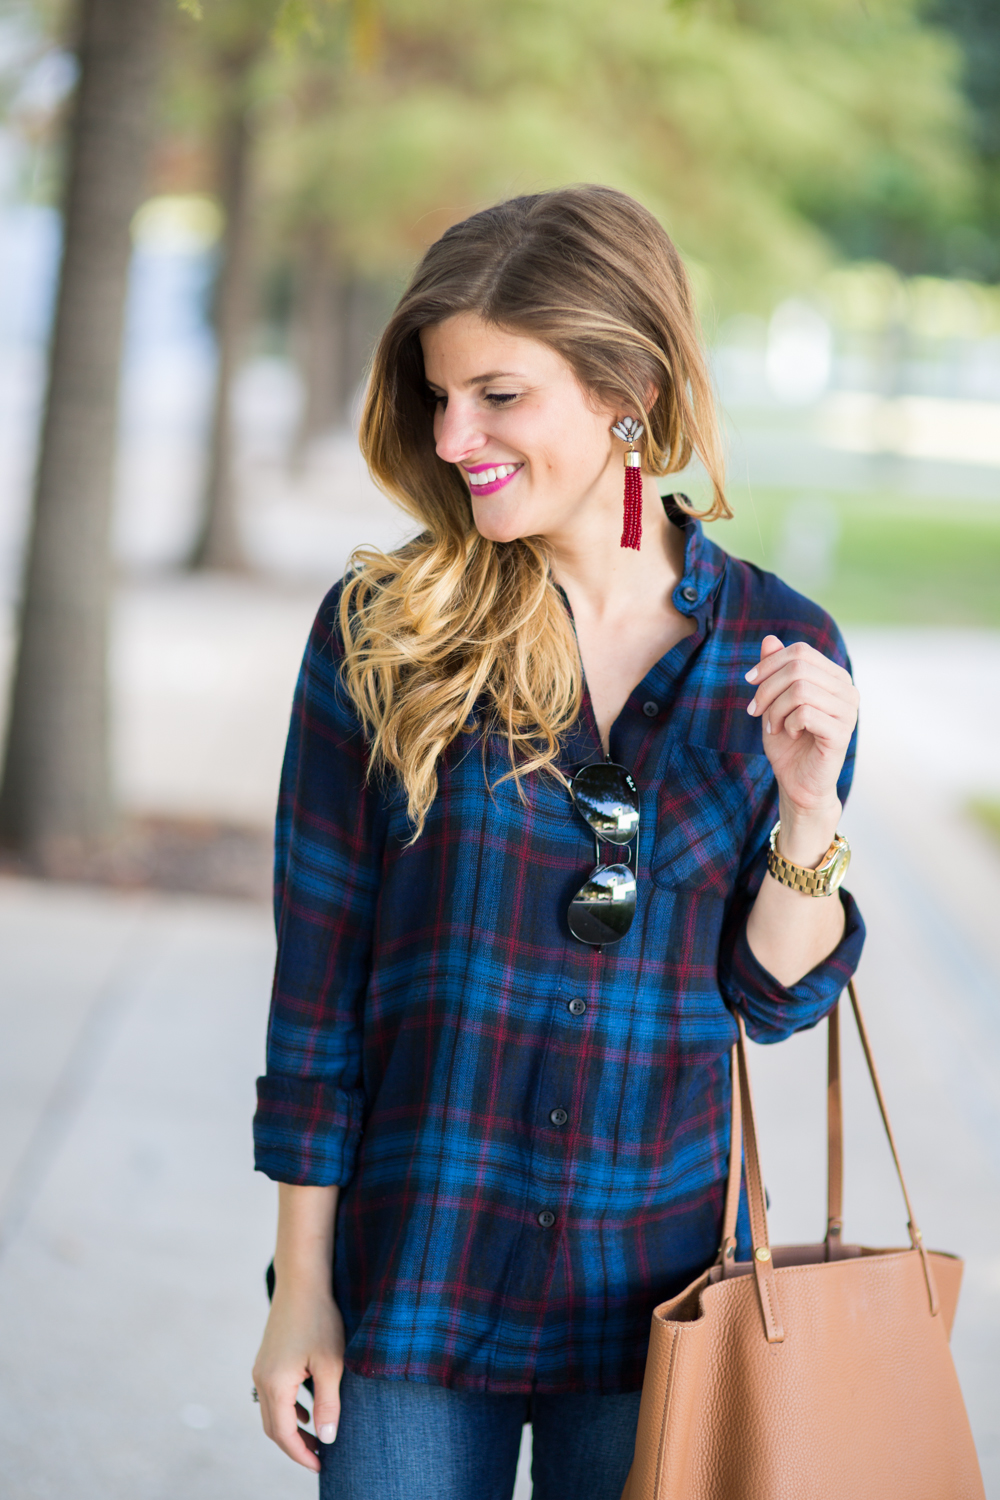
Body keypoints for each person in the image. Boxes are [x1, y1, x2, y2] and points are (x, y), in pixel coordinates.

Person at [251, 185, 864, 1500]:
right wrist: (300, 1287)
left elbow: (773, 996)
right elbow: (318, 991)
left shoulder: (777, 648)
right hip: (416, 1279)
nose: (453, 434)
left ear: (624, 389)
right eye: (438, 397)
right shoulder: (380, 630)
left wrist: (810, 808)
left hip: (661, 1299)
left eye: (498, 395)